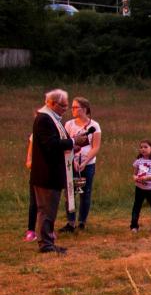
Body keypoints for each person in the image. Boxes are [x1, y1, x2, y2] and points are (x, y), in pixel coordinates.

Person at [30, 89, 89, 254]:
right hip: (47, 174)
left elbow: (56, 144)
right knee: (46, 210)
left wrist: (72, 146)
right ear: (51, 103)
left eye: (66, 105)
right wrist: (72, 141)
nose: (66, 108)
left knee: (50, 210)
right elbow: (51, 145)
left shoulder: (51, 119)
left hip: (52, 172)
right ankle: (46, 244)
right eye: (62, 105)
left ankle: (48, 241)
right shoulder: (44, 119)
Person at [59, 97, 101, 233]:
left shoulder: (94, 125)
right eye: (72, 107)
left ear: (84, 109)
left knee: (85, 192)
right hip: (71, 163)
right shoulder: (69, 125)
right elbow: (65, 144)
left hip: (87, 164)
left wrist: (85, 162)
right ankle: (70, 222)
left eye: (75, 107)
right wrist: (73, 160)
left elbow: (96, 147)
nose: (72, 110)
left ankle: (82, 221)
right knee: (70, 192)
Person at [130, 140, 151, 234]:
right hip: (139, 188)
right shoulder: (138, 161)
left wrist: (147, 178)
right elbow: (134, 174)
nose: (143, 149)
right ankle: (134, 226)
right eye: (141, 147)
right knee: (136, 207)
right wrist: (136, 178)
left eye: (146, 147)